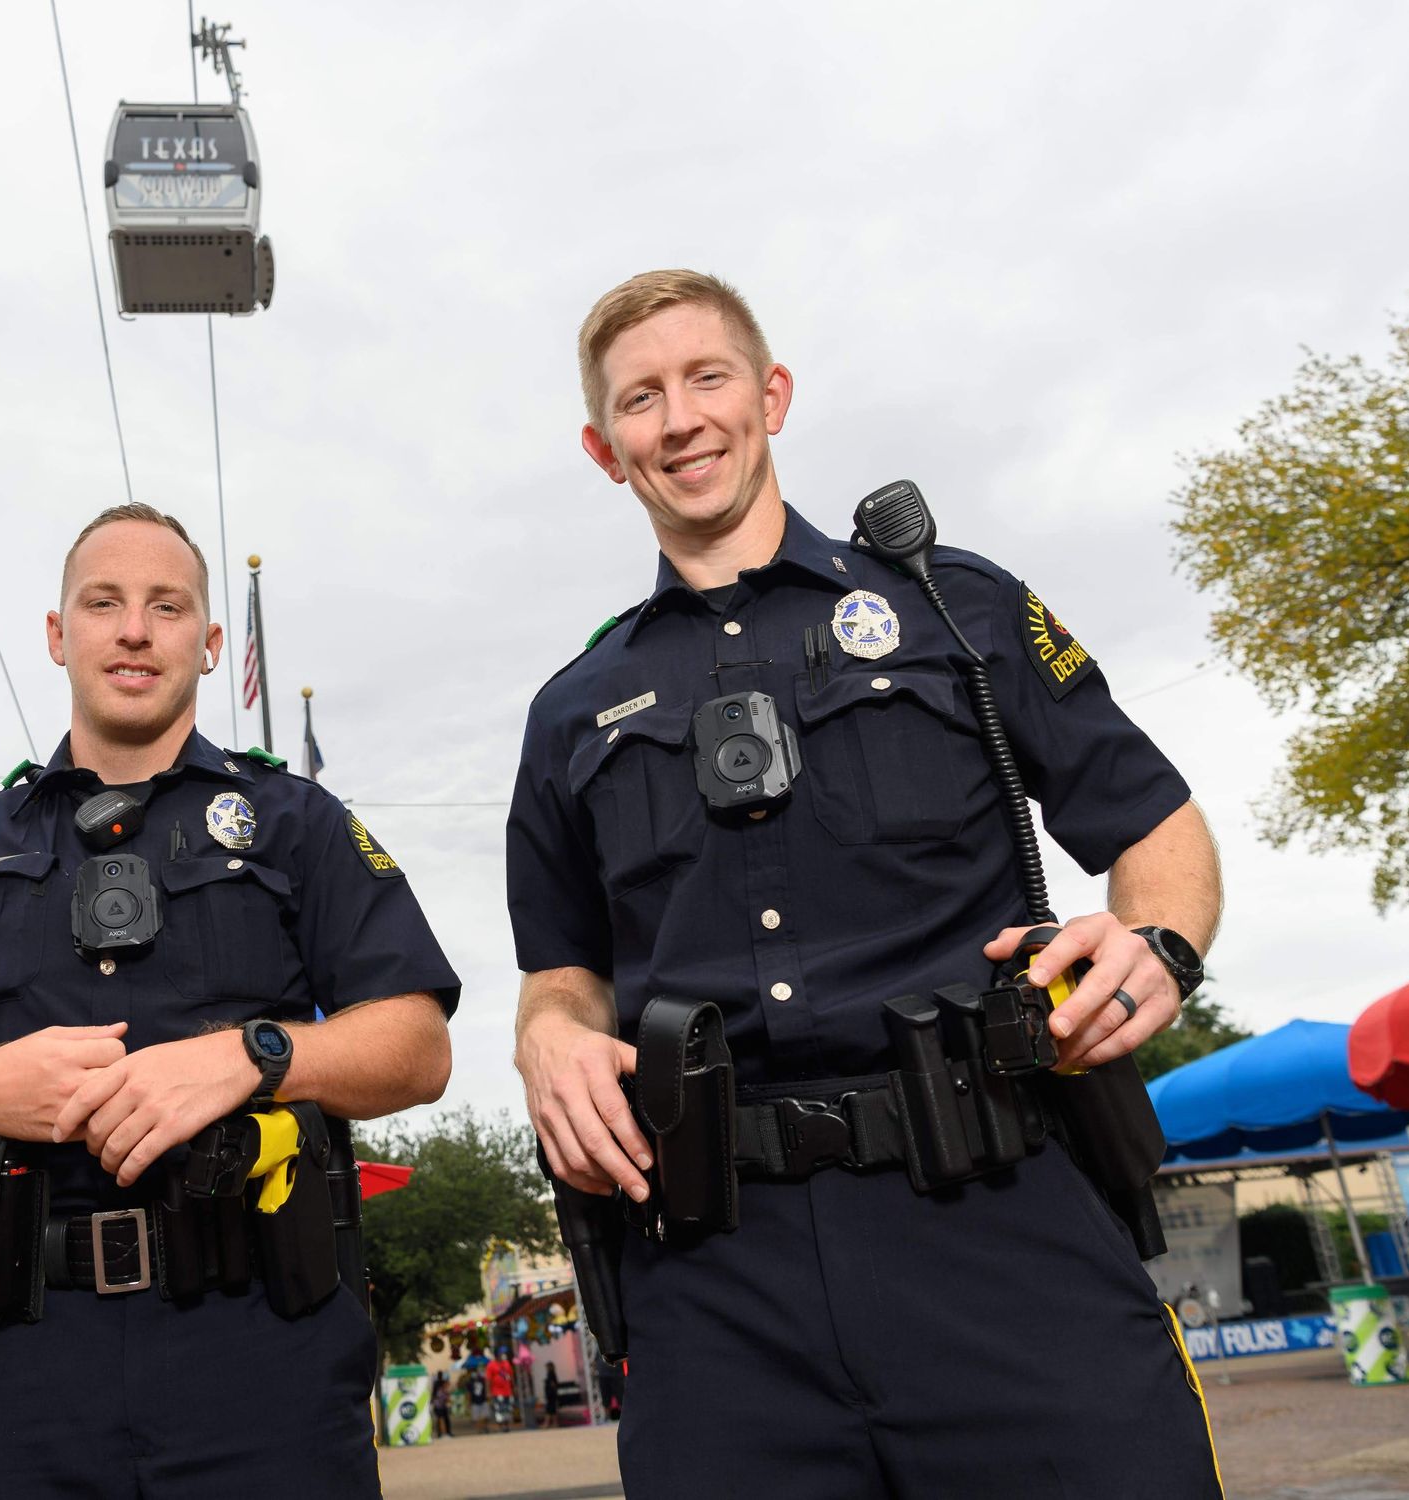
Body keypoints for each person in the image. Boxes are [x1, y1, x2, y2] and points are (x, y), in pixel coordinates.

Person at [508, 270, 1225, 1497]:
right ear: (602, 446)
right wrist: (547, 1044)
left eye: (706, 378)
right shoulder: (572, 710)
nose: (678, 419)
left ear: (770, 396)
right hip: (716, 1277)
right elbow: (560, 975)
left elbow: (1155, 827)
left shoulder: (953, 606)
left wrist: (1154, 942)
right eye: (640, 399)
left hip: (997, 1217)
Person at [0, 503, 460, 1499]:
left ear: (205, 645)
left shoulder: (294, 824)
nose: (132, 629)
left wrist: (254, 1056)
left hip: (262, 1360)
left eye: (166, 606)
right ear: (56, 635)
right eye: (102, 602)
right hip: (19, 1374)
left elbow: (415, 1045)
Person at [484, 1348, 515, 1433]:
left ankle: (507, 1425)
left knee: (508, 1408)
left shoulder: (507, 1363)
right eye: (501, 1354)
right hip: (497, 1391)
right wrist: (488, 1392)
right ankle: (501, 1426)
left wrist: (513, 1387)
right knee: (499, 1409)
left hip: (507, 1391)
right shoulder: (491, 1365)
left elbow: (511, 1376)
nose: (503, 1355)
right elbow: (488, 1380)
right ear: (497, 1355)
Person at [429, 1369, 454, 1439]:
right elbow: (445, 1393)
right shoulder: (440, 1383)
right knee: (442, 1419)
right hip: (440, 1404)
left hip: (440, 1404)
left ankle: (443, 1433)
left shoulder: (438, 1383)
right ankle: (445, 1432)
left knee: (442, 1419)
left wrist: (432, 1400)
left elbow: (434, 1393)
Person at [542, 1361, 560, 1429]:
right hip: (552, 1394)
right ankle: (555, 1423)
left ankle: (547, 1423)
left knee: (549, 1409)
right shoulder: (552, 1374)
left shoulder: (550, 1374)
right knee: (553, 1410)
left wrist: (551, 1391)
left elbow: (553, 1384)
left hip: (551, 1394)